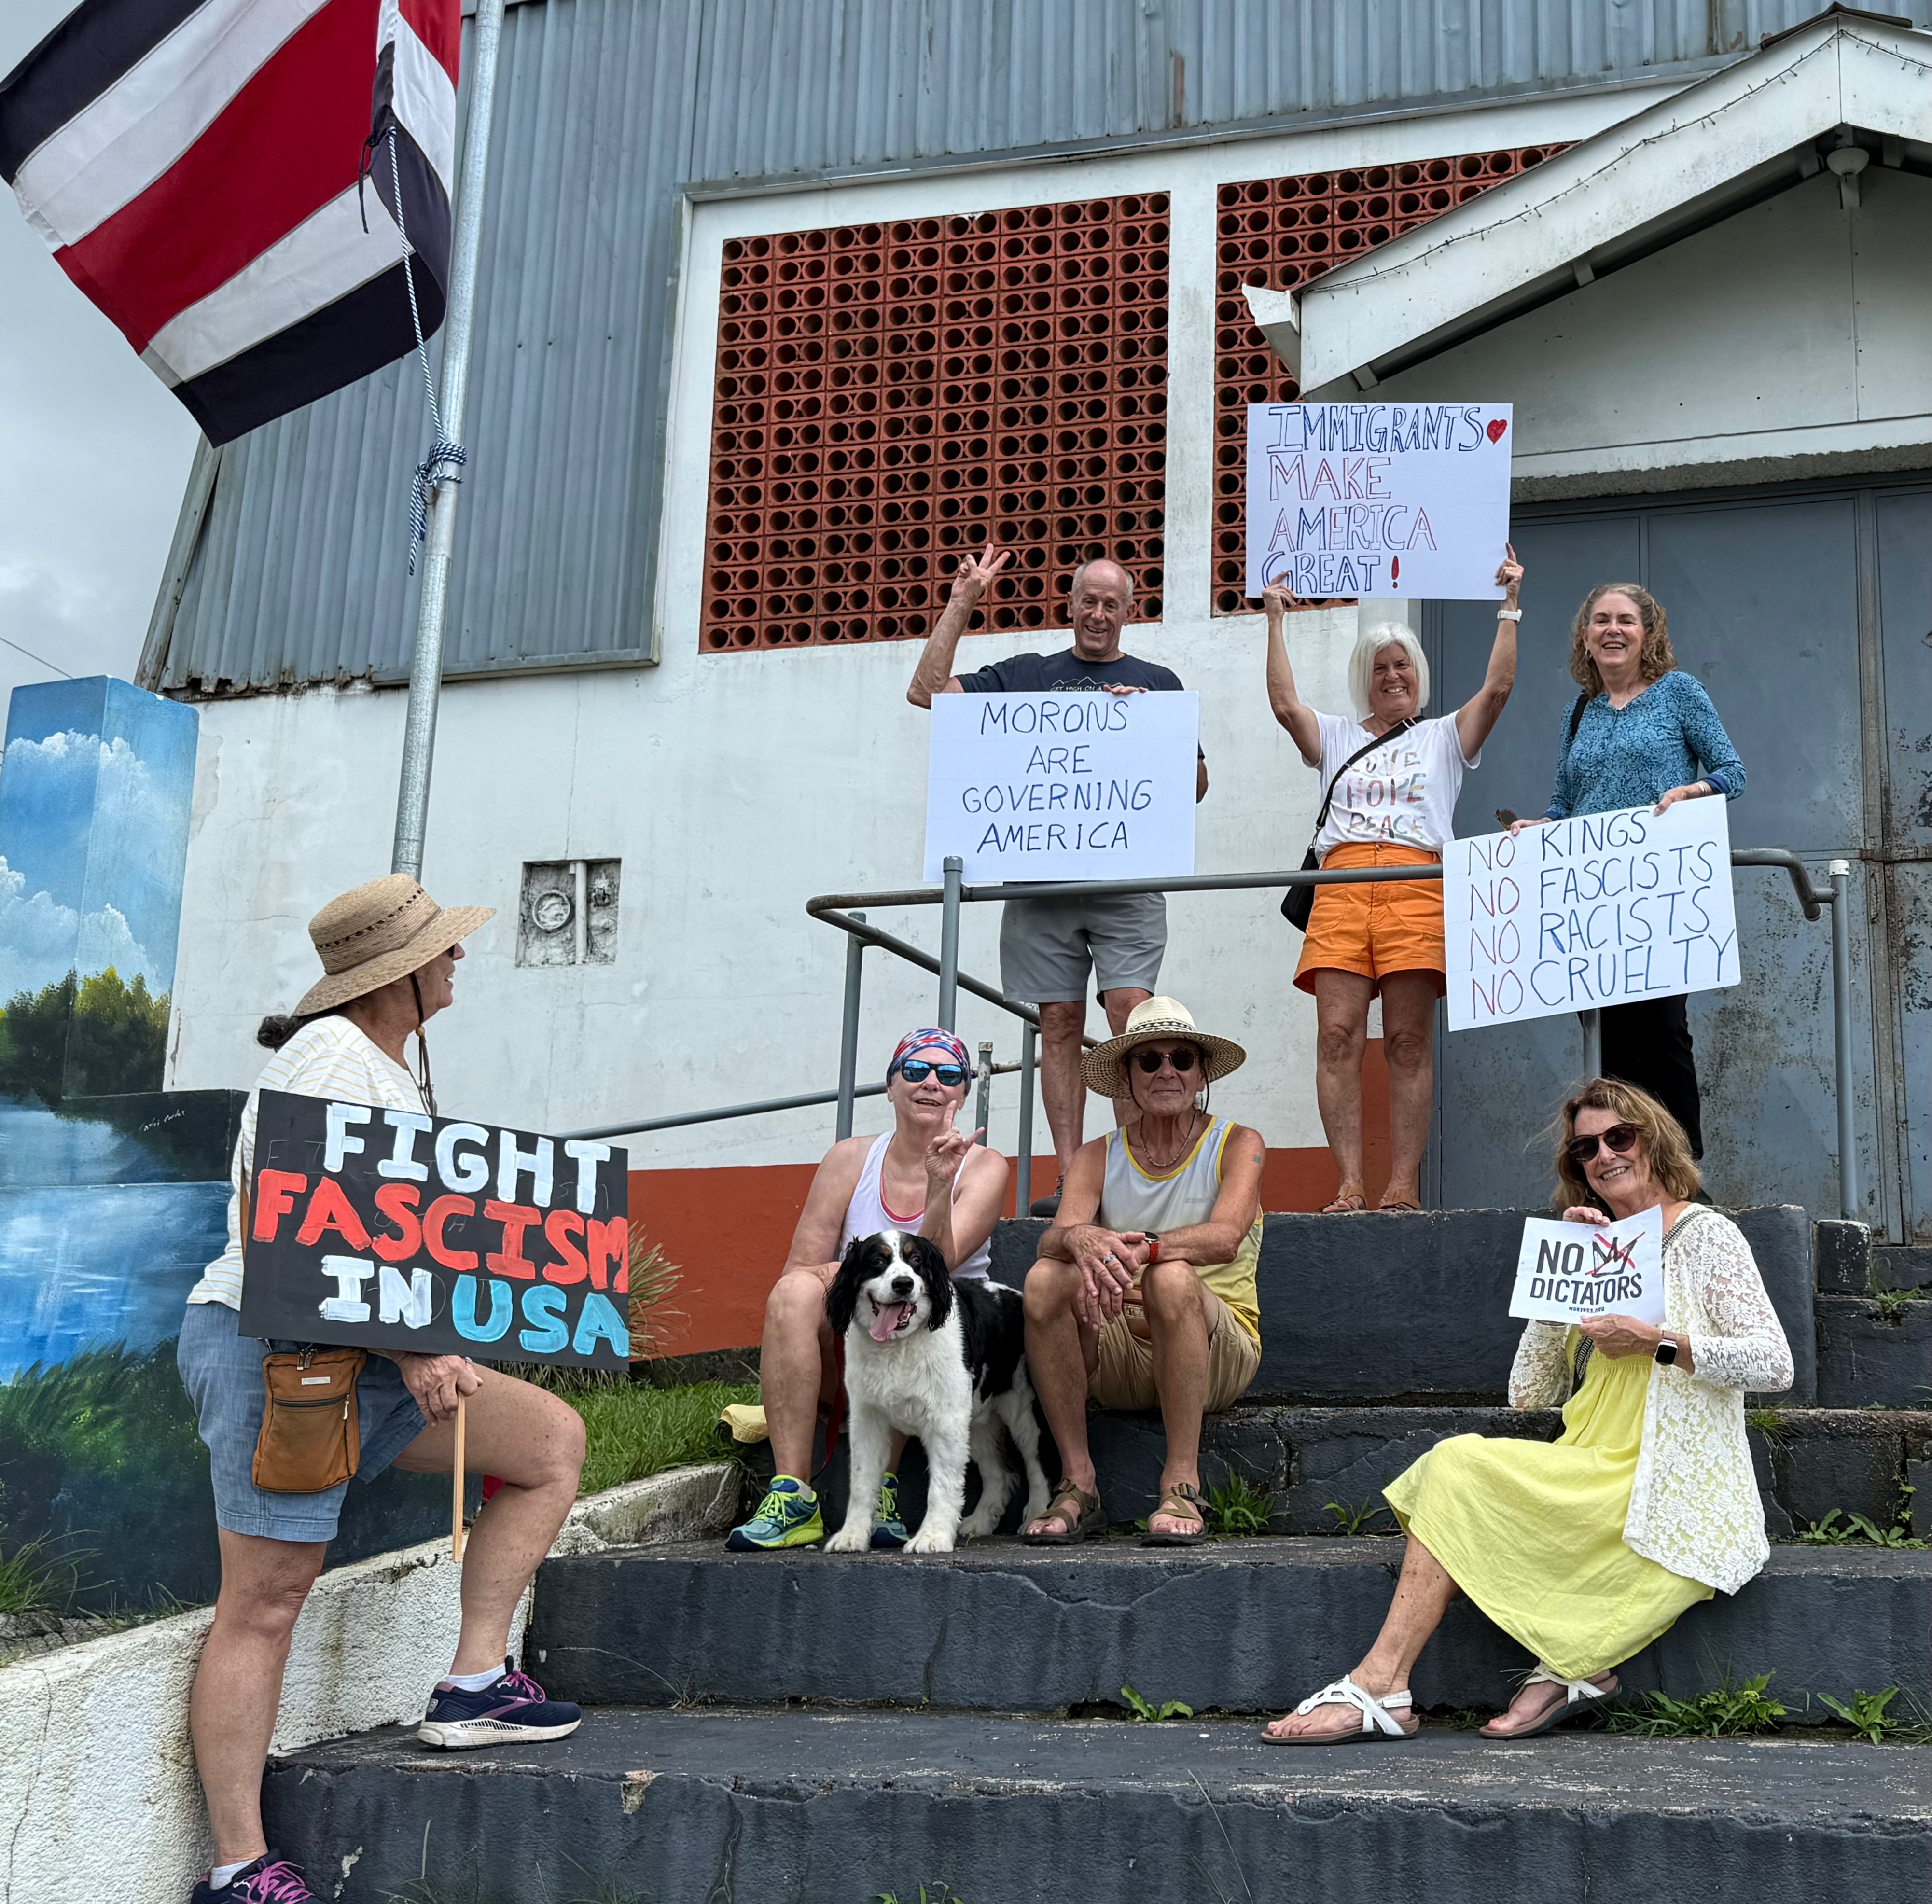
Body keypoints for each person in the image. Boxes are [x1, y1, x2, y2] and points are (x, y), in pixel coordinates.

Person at [178, 876, 589, 1904]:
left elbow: (388, 1230)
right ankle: (237, 1869)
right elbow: (293, 1221)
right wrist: (412, 1350)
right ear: (395, 974)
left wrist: (435, 1331)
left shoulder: (375, 1061)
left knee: (547, 1444)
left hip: (360, 1354)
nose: (458, 959)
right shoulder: (330, 1059)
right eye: (443, 948)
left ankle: (476, 1683)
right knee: (265, 1599)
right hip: (278, 1350)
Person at [1264, 1077, 1792, 1746]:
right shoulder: (1595, 1248)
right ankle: (1466, 1679)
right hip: (1587, 1463)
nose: (1603, 1156)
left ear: (1653, 1139)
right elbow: (1528, 1393)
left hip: (1665, 1479)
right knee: (1454, 1465)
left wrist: (1655, 1342)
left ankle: (1392, 1684)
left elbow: (1773, 1364)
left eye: (1618, 1137)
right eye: (1584, 1149)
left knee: (1455, 1466)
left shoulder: (1704, 1234)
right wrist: (1562, 1278)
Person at [908, 545, 1208, 1213]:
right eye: (1088, 602)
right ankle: (1074, 1178)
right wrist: (962, 600)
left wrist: (1145, 732)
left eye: (1111, 604)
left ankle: (1132, 1173)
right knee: (1059, 1022)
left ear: (1129, 613)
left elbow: (1194, 786)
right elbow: (926, 693)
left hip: (1125, 883)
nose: (1098, 614)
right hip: (1040, 883)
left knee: (1130, 1015)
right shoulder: (1025, 673)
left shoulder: (1157, 681)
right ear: (1069, 605)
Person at [1262, 549, 1524, 1212]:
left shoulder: (1442, 736)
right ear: (1364, 679)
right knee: (1336, 1037)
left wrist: (1509, 607)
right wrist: (1274, 620)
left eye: (1402, 664)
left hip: (1416, 882)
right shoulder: (1336, 735)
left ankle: (1401, 1186)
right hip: (1343, 885)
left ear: (1419, 674)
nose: (1392, 675)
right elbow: (1285, 705)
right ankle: (1350, 1184)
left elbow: (1496, 691)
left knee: (1407, 1041)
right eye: (1379, 667)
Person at [726, 1028, 1009, 1551]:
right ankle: (792, 1495)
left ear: (964, 1092)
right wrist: (859, 1280)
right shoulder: (848, 1159)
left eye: (949, 1074)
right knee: (792, 1294)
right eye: (915, 1070)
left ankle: (883, 1493)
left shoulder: (985, 1166)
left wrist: (940, 1184)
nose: (931, 1082)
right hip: (858, 1341)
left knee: (906, 1319)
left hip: (941, 1353)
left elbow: (936, 1269)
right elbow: (801, 1271)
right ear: (889, 1087)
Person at [1510, 584, 1745, 1157]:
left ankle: (1682, 1168)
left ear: (1648, 633)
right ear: (1585, 636)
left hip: (1656, 892)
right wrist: (1541, 825)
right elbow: (1565, 802)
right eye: (1600, 620)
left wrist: (1690, 792)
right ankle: (1624, 1170)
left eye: (1625, 620)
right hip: (1590, 900)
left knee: (1663, 1032)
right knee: (1608, 1042)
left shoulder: (1679, 693)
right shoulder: (1578, 712)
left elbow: (1732, 772)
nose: (1612, 630)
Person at [1020, 999, 1265, 1544]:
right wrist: (1078, 1237)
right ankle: (1078, 1483)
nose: (1167, 1071)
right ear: (1127, 1076)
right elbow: (1051, 1240)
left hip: (1216, 1352)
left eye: (1182, 1058)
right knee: (1043, 1280)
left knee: (1170, 1276)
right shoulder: (1096, 1156)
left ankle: (1181, 1485)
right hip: (1122, 1348)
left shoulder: (1238, 1143)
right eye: (1149, 1061)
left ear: (1202, 1073)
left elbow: (1225, 1238)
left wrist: (1145, 1249)